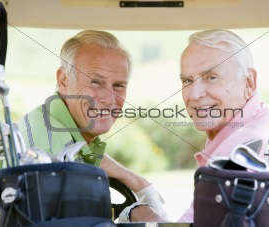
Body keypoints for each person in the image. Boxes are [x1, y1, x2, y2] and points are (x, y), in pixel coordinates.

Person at [119, 29, 269, 223]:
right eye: (187, 80)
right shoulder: (265, 119)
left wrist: (137, 213)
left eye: (211, 77)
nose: (194, 94)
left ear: (249, 82)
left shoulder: (236, 150)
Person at [17, 30, 166, 219]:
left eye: (118, 85)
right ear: (64, 80)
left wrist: (137, 182)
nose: (109, 98)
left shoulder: (60, 128)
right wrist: (131, 214)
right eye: (96, 82)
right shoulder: (46, 150)